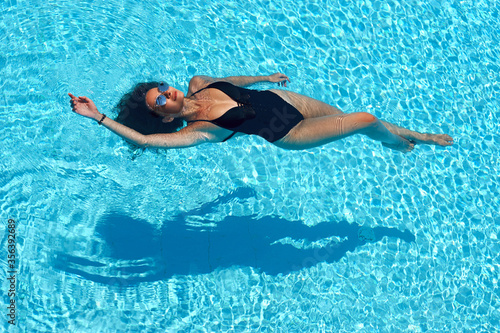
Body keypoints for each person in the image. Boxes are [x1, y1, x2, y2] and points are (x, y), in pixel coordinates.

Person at [68, 73, 453, 152]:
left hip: (285, 100)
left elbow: (231, 79)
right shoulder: (199, 130)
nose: (166, 94)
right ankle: (395, 143)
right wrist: (99, 117)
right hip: (289, 133)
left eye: (161, 88)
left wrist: (264, 76)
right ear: (165, 116)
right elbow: (146, 139)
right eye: (158, 101)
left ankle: (418, 136)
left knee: (352, 118)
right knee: (364, 120)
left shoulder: (198, 83)